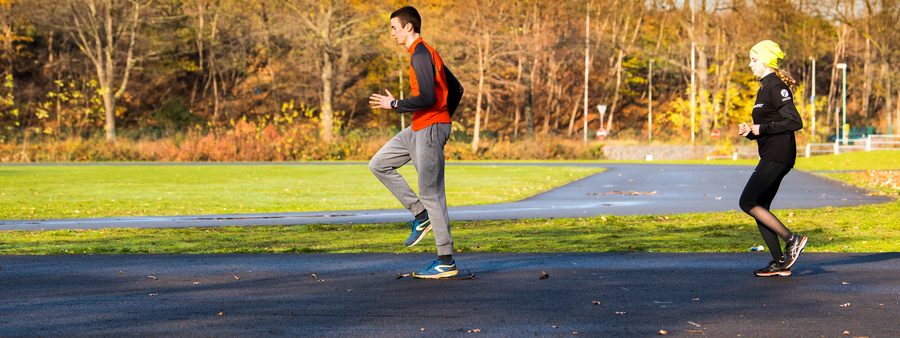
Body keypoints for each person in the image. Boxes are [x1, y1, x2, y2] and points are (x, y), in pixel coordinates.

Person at [368, 6, 463, 279]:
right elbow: (456, 89)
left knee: (432, 192)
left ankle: (445, 260)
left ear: (409, 27)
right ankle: (420, 216)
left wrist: (395, 104)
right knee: (379, 164)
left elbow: (428, 99)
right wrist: (442, 120)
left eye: (394, 28)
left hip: (429, 127)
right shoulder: (424, 54)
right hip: (421, 127)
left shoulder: (421, 54)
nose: (392, 33)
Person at [738, 40, 809, 277]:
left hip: (779, 155)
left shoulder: (777, 87)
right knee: (760, 207)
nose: (750, 64)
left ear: (767, 60)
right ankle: (780, 262)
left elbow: (794, 122)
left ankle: (793, 240)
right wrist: (751, 131)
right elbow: (768, 124)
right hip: (770, 153)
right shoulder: (763, 88)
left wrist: (761, 129)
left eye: (754, 59)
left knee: (747, 202)